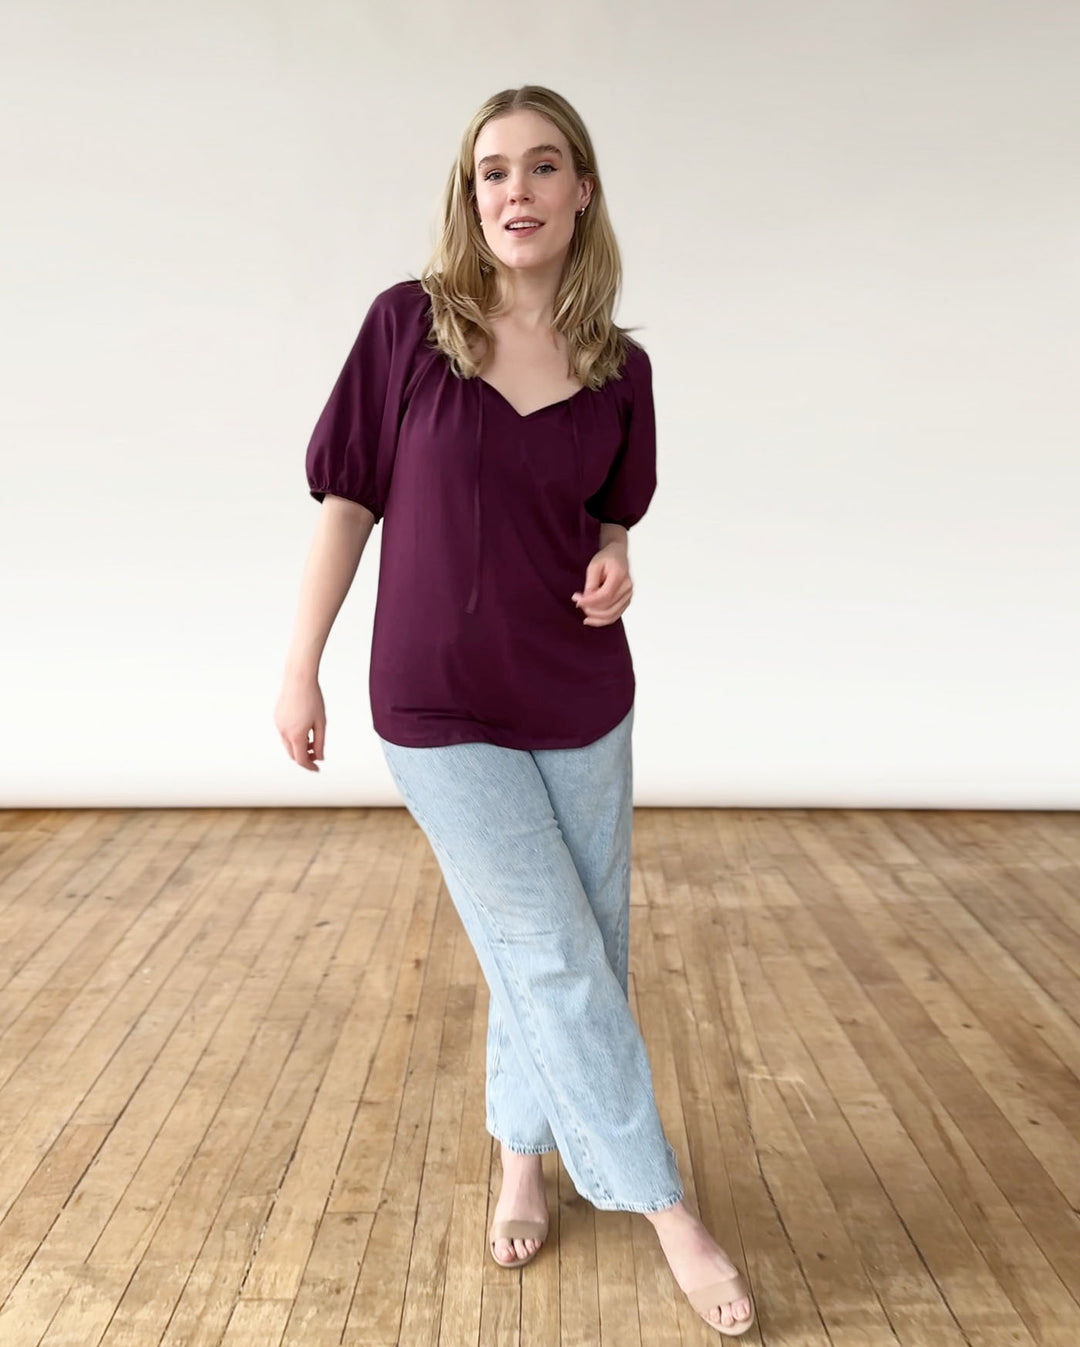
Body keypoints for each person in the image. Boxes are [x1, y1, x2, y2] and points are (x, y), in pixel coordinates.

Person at [274, 85, 756, 1338]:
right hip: (436, 702)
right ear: (470, 192)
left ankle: (523, 1162)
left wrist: (616, 558)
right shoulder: (408, 327)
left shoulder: (620, 367)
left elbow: (610, 514)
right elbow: (348, 504)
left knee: (570, 943)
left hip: (580, 694)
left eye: (543, 167)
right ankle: (665, 1208)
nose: (517, 190)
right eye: (494, 170)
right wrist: (300, 663)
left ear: (581, 191)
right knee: (550, 951)